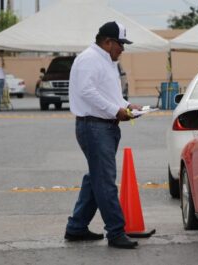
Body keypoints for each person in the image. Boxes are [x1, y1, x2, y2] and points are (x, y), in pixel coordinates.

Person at [65, 21, 142, 249]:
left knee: (96, 178)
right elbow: (86, 91)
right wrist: (115, 111)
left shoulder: (106, 60)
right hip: (94, 127)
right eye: (120, 44)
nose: (123, 49)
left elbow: (109, 94)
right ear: (107, 42)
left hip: (104, 127)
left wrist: (127, 106)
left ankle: (76, 228)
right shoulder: (90, 59)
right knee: (105, 181)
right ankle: (116, 232)